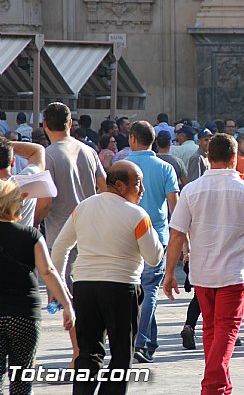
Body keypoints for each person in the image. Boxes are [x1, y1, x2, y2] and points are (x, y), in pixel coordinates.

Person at [164, 133, 244, 395]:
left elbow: (177, 233)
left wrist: (169, 273)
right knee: (225, 332)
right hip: (233, 275)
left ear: (208, 158)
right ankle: (213, 387)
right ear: (235, 158)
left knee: (213, 331)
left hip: (202, 273)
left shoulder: (191, 190)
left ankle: (220, 386)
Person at [51, 161, 164, 394]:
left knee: (88, 352)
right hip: (121, 288)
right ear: (120, 185)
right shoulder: (137, 215)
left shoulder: (83, 207)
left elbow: (60, 246)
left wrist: (59, 284)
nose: (142, 190)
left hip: (84, 287)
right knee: (122, 355)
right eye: (138, 184)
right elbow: (153, 258)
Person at [0, 179, 74, 394]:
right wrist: (66, 304)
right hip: (24, 314)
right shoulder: (31, 236)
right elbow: (48, 271)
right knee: (22, 378)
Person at [126, 121, 180, 363]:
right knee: (150, 290)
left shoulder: (122, 166)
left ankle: (145, 341)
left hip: (125, 235)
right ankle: (143, 341)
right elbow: (174, 207)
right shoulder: (165, 167)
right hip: (157, 236)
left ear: (133, 139)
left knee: (143, 289)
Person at [39, 102, 108, 290]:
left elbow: (45, 202)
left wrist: (35, 222)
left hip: (60, 231)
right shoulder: (89, 151)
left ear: (44, 124)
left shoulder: (48, 156)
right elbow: (104, 187)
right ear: (70, 123)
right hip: (90, 228)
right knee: (87, 284)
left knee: (63, 287)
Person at [0, 137, 47, 227]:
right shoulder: (28, 178)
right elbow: (38, 150)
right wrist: (6, 145)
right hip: (24, 238)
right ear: (13, 161)